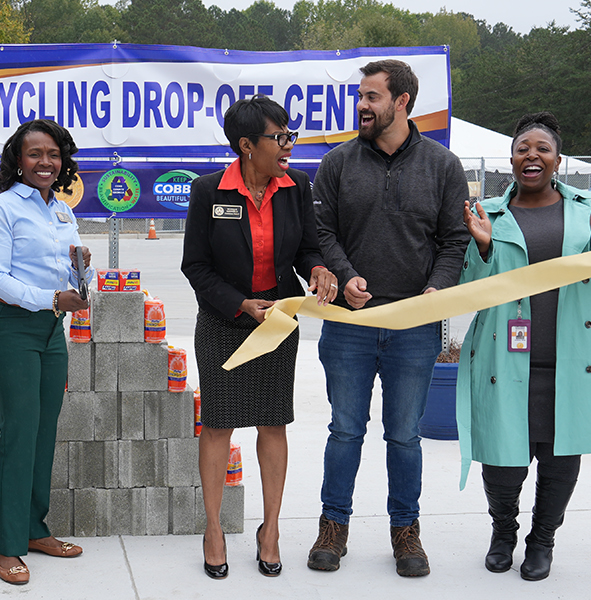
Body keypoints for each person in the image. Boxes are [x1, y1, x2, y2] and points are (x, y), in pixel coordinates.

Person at [456, 112, 591, 581]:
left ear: (557, 159)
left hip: (572, 364)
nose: (531, 155)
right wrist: (482, 248)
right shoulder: (490, 215)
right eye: (523, 148)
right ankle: (503, 533)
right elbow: (472, 289)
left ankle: (542, 541)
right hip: (506, 359)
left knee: (560, 461)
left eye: (542, 148)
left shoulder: (590, 209)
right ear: (512, 159)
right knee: (502, 462)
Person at [307, 59, 469, 577]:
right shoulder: (337, 162)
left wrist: (435, 290)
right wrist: (344, 274)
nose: (362, 105)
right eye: (361, 96)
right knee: (345, 431)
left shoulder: (443, 166)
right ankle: (333, 527)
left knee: (404, 435)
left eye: (372, 96)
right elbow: (321, 232)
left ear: (401, 101)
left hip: (415, 328)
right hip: (348, 327)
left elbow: (455, 241)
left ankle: (406, 531)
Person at [180, 96, 337, 580]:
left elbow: (308, 248)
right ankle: (213, 529)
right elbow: (196, 266)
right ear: (247, 146)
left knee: (273, 423)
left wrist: (317, 268)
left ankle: (269, 529)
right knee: (220, 425)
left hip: (276, 323)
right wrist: (239, 302)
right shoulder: (210, 191)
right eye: (279, 137)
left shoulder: (296, 186)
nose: (288, 145)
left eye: (290, 135)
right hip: (224, 321)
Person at [0, 119, 91, 585]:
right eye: (35, 154)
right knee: (19, 434)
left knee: (44, 433)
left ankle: (34, 528)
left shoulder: (61, 211)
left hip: (51, 331)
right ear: (17, 161)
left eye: (54, 154)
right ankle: (7, 546)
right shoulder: (1, 209)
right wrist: (50, 299)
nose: (46, 162)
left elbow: (72, 266)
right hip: (11, 328)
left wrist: (84, 281)